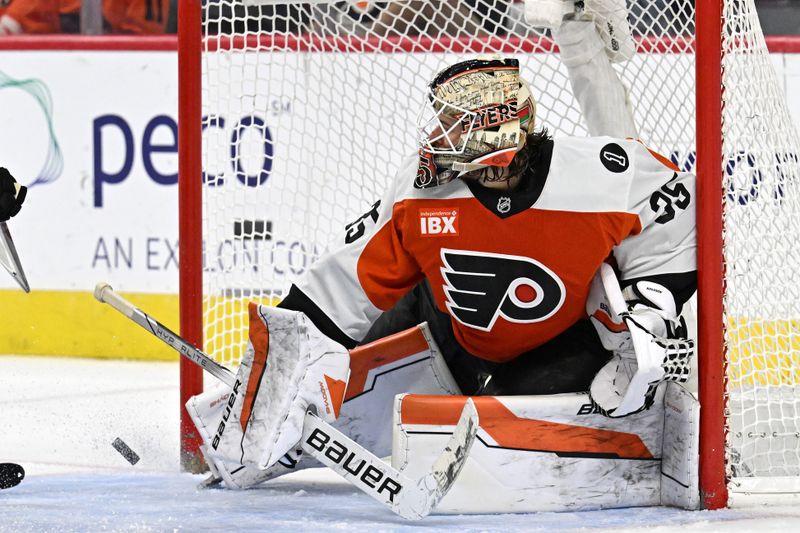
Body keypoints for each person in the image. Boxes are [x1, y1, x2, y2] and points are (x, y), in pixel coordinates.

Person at [189, 1, 696, 491]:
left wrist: (650, 310)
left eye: (455, 126)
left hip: (557, 345)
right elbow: (348, 280)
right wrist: (281, 359)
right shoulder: (420, 190)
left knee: (504, 439)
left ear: (495, 147)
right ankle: (238, 442)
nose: (439, 136)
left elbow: (677, 219)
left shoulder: (603, 174)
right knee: (328, 373)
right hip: (441, 318)